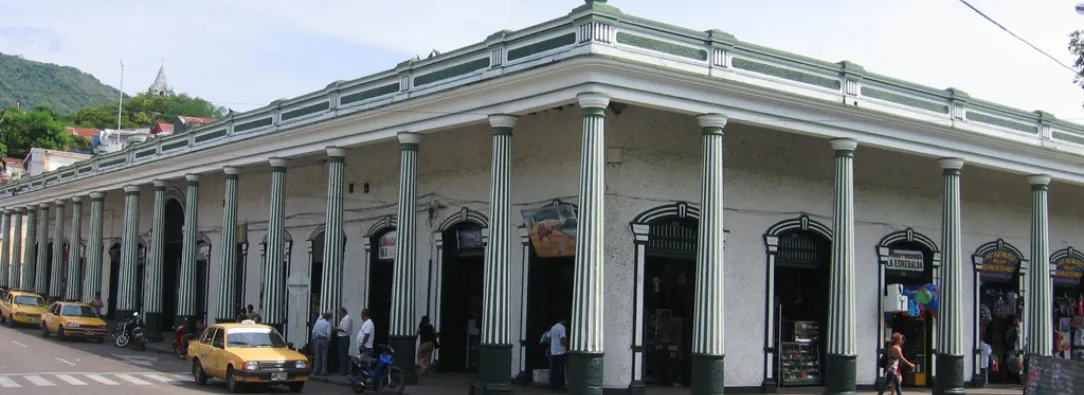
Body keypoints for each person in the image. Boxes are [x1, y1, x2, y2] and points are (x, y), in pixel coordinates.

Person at [547, 317, 568, 393]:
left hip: (553, 352)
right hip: (560, 352)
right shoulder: (562, 328)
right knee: (560, 370)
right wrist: (567, 346)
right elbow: (562, 339)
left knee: (553, 370)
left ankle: (552, 387)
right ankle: (559, 388)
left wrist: (552, 345)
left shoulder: (553, 327)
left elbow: (548, 337)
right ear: (563, 320)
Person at [311, 312, 332, 376]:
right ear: (328, 317)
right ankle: (323, 371)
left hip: (317, 339)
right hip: (324, 339)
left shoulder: (317, 322)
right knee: (324, 356)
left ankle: (316, 370)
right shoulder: (327, 323)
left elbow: (313, 331)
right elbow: (328, 333)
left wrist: (314, 338)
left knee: (317, 355)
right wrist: (329, 340)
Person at [335, 307, 354, 375]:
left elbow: (344, 329)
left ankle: (343, 371)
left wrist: (336, 328)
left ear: (343, 312)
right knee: (342, 354)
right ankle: (342, 369)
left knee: (343, 354)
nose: (339, 314)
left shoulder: (347, 319)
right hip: (342, 337)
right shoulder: (344, 319)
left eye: (340, 312)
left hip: (344, 338)